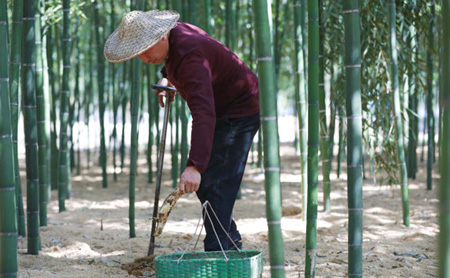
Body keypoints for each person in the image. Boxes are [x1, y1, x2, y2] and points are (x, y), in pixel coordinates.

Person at [104, 10, 260, 251]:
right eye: (138, 53)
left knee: (215, 182)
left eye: (146, 49)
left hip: (239, 109)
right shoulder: (178, 35)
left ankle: (221, 250)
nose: (144, 57)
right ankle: (228, 242)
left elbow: (203, 111)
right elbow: (179, 61)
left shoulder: (189, 56)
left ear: (163, 36)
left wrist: (195, 166)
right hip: (222, 107)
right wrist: (168, 77)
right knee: (209, 183)